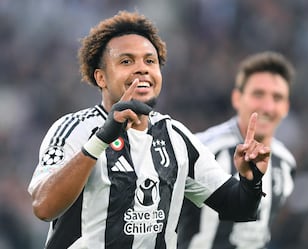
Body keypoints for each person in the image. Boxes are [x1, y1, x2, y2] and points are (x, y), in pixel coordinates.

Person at [27, 11, 271, 249]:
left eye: (150, 61)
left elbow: (239, 208)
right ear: (101, 78)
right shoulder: (74, 130)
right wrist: (100, 140)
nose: (142, 69)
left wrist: (251, 179)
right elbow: (43, 207)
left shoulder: (175, 137)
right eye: (126, 61)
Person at [178, 51, 297, 249]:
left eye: (277, 97)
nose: (267, 106)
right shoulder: (202, 150)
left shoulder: (286, 163)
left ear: (286, 107)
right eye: (258, 94)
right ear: (237, 98)